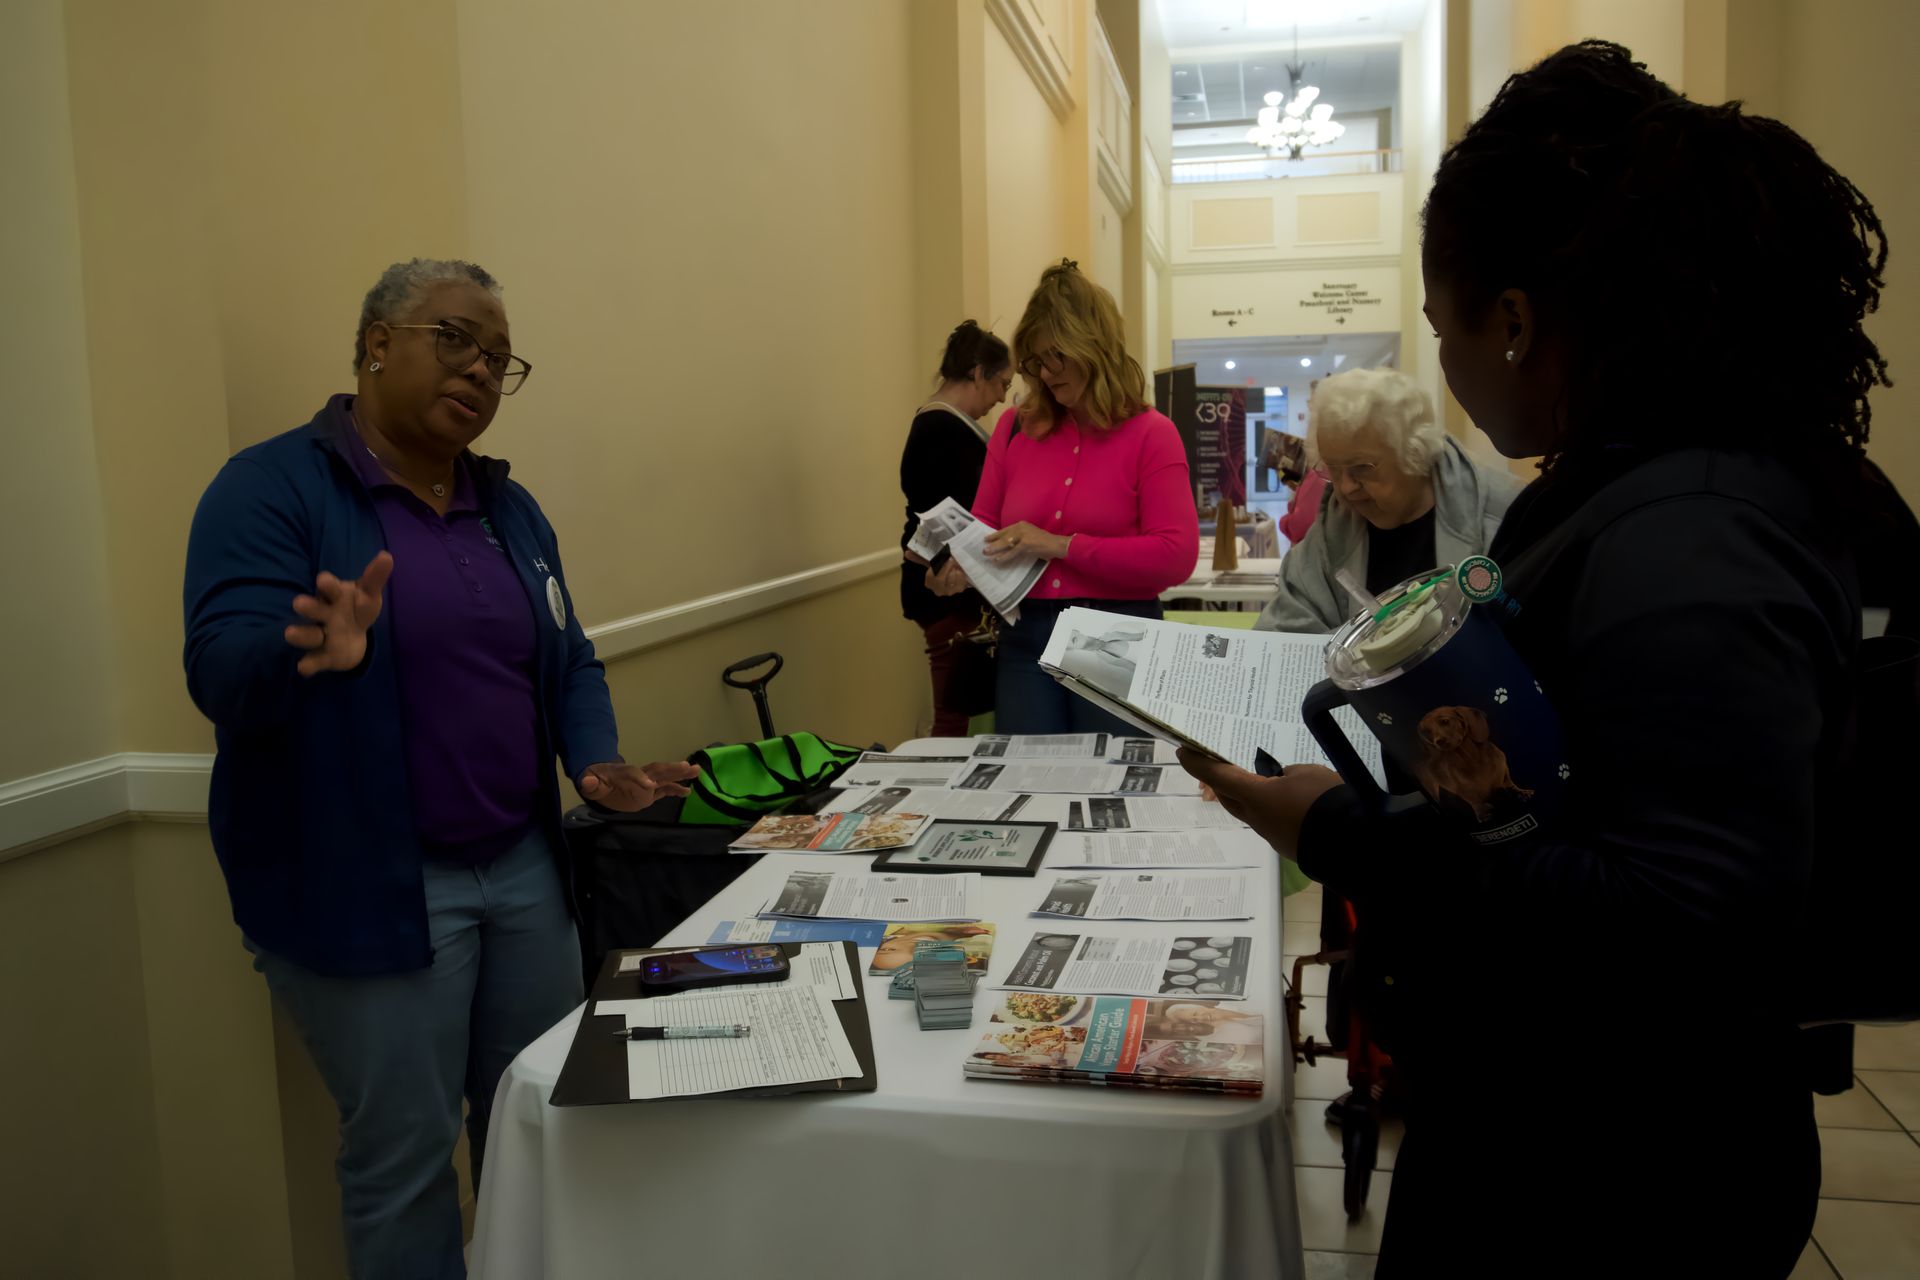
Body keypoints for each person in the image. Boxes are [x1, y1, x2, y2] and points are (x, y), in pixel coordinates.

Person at [1180, 43, 1908, 1277]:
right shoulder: (1639, 492)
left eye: (1440, 322)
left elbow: (1670, 936)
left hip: (1618, 1178)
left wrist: (1342, 832)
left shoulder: (1694, 540)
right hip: (1560, 1124)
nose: (1446, 365)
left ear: (1512, 321)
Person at [183, 258, 698, 1280]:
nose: (479, 369)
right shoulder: (272, 487)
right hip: (370, 886)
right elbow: (218, 666)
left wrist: (592, 762)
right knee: (407, 1161)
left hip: (519, 872)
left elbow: (570, 656)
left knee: (540, 1119)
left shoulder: (509, 508)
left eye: (500, 358)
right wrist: (307, 650)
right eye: (454, 338)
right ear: (377, 341)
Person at [931, 260, 1199, 732]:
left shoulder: (1151, 434)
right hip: (1024, 634)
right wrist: (958, 570)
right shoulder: (1015, 428)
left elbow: (1175, 557)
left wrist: (1059, 545)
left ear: (1094, 347)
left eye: (1058, 355)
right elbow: (984, 529)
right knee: (1026, 782)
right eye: (1035, 361)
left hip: (1116, 634)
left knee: (1113, 785)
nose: (1046, 373)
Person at [1256, 365, 1520, 633]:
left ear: (1415, 454)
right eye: (1333, 469)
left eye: (1362, 468)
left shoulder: (1507, 519)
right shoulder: (1332, 528)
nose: (1346, 488)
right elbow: (1282, 628)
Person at [899, 320, 1014, 734]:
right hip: (946, 587)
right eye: (1002, 383)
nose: (1002, 398)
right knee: (954, 713)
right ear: (978, 371)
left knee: (964, 709)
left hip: (957, 585)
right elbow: (942, 518)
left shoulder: (949, 427)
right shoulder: (939, 429)